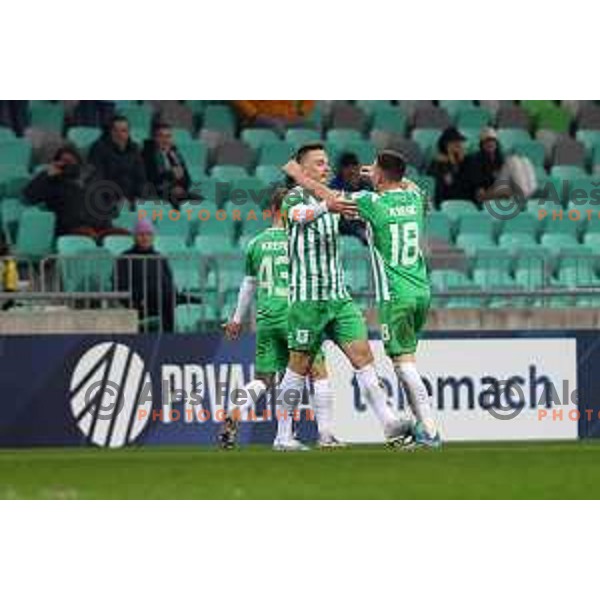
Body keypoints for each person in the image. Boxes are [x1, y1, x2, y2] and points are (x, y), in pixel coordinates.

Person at [284, 150, 441, 448]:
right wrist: (389, 172)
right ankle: (403, 426)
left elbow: (332, 199)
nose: (327, 166)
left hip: (394, 295)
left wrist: (298, 174)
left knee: (402, 363)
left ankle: (429, 429)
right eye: (318, 162)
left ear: (379, 176)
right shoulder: (414, 197)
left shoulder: (373, 202)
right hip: (422, 289)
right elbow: (407, 183)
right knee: (399, 360)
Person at [220, 188, 343, 451]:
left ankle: (236, 410)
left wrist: (236, 320)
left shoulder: (255, 243)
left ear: (270, 211)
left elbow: (248, 285)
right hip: (296, 315)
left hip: (266, 318)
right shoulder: (299, 239)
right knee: (315, 373)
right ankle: (324, 434)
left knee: (263, 379)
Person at [23, 145, 129, 240]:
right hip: (73, 229)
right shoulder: (53, 182)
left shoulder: (93, 179)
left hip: (103, 228)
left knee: (125, 236)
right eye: (64, 161)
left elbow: (112, 201)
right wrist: (46, 175)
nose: (67, 165)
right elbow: (29, 196)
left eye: (71, 161)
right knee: (88, 235)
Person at [114, 220, 175, 332]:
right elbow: (120, 284)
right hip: (137, 302)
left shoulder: (159, 257)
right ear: (135, 237)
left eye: (149, 234)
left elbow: (168, 281)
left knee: (171, 297)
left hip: (160, 302)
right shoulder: (125, 258)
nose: (145, 238)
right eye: (141, 234)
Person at [88, 115, 147, 204]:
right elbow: (97, 178)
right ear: (110, 132)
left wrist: (138, 197)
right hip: (108, 199)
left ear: (128, 133)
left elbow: (141, 177)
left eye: (123, 131)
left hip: (131, 199)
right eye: (115, 131)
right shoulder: (99, 148)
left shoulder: (134, 149)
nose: (119, 135)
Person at [142, 122, 192, 206]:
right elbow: (150, 179)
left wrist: (181, 187)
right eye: (161, 136)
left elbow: (187, 178)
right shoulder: (147, 154)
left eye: (168, 136)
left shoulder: (175, 154)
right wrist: (171, 174)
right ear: (155, 138)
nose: (165, 140)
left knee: (201, 203)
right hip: (155, 194)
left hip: (174, 194)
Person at [331, 151, 371, 243]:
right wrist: (351, 187)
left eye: (354, 167)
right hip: (345, 224)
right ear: (341, 169)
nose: (352, 170)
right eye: (347, 167)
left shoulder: (366, 184)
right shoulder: (334, 186)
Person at [462, 127, 507, 202]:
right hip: (481, 192)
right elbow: (478, 184)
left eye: (493, 141)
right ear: (482, 144)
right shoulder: (475, 159)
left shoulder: (501, 158)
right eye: (487, 141)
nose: (490, 143)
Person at [428, 126, 469, 205]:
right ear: (446, 144)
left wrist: (460, 161)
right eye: (454, 142)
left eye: (459, 142)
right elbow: (444, 182)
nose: (459, 144)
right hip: (445, 199)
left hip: (464, 199)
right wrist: (451, 161)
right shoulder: (438, 162)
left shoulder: (465, 160)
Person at [231, 101, 315, 134]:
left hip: (288, 117)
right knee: (277, 127)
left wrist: (302, 112)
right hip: (260, 116)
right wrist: (254, 114)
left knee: (311, 127)